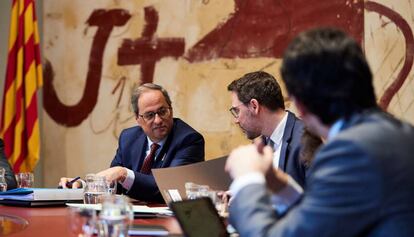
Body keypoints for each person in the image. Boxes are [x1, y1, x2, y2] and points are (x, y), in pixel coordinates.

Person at [225, 28, 414, 236]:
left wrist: (248, 179)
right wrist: (278, 184)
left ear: (301, 102)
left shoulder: (351, 152)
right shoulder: (399, 133)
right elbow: (320, 219)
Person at [60, 83, 205, 202]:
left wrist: (123, 173)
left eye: (162, 111)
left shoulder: (189, 140)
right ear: (138, 119)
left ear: (171, 110)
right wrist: (83, 185)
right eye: (149, 115)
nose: (158, 120)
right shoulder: (128, 138)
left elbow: (168, 189)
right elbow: (114, 183)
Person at [227, 71, 306, 187]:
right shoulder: (262, 143)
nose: (236, 120)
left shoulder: (306, 140)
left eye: (236, 111)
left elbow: (322, 201)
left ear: (254, 106)